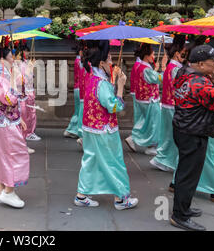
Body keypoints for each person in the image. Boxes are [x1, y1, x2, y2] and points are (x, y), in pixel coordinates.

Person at [170, 45, 214, 231]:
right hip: (193, 131)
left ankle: (184, 208)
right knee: (188, 176)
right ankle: (179, 215)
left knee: (186, 173)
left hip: (184, 127)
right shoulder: (199, 83)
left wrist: (211, 76)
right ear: (201, 64)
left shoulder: (183, 72)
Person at [74, 42, 138, 210]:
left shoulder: (93, 77)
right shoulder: (101, 83)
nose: (113, 62)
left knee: (91, 160)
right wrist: (121, 86)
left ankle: (82, 195)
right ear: (101, 63)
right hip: (104, 129)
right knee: (114, 162)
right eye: (109, 59)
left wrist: (114, 79)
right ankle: (121, 197)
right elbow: (114, 107)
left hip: (91, 127)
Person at [0, 46, 29, 208]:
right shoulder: (0, 78)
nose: (14, 60)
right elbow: (9, 99)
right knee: (16, 154)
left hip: (6, 121)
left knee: (4, 155)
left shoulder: (2, 75)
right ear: (3, 60)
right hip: (5, 122)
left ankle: (0, 191)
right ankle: (9, 191)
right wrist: (16, 82)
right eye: (11, 57)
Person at [150, 36, 186, 172]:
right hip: (173, 105)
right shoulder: (176, 68)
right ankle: (164, 160)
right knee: (173, 136)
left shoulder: (171, 66)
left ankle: (164, 159)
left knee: (168, 135)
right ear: (177, 54)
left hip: (167, 104)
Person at [125, 43, 166, 155]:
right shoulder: (146, 69)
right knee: (153, 123)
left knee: (144, 122)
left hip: (142, 99)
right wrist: (163, 69)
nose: (153, 56)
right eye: (152, 54)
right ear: (147, 56)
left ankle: (133, 138)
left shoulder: (139, 66)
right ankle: (151, 145)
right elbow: (158, 79)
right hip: (150, 99)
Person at [16, 42, 41, 142]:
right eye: (26, 51)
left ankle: (30, 131)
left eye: (28, 51)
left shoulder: (26, 62)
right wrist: (30, 67)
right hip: (24, 92)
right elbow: (22, 78)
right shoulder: (19, 64)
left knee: (31, 113)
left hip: (30, 90)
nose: (28, 53)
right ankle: (27, 132)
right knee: (26, 114)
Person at [64, 44, 82, 139]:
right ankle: (74, 130)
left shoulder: (76, 61)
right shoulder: (80, 62)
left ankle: (71, 129)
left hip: (76, 88)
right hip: (80, 88)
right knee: (80, 111)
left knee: (78, 111)